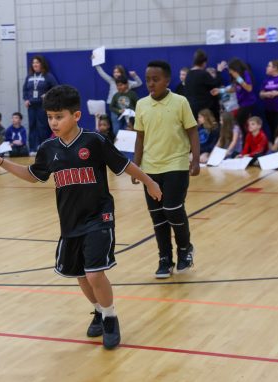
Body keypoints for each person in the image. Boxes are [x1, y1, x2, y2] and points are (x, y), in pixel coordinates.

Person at [0, 84, 161, 350]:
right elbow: (33, 176)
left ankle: (111, 318)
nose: (53, 122)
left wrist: (149, 182)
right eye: (50, 117)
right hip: (70, 221)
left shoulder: (95, 141)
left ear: (76, 116)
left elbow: (124, 165)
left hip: (99, 217)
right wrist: (0, 162)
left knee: (94, 274)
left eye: (59, 117)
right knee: (80, 275)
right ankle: (98, 311)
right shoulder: (48, 149)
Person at [133, 60, 200, 279]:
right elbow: (140, 137)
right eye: (148, 80)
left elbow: (192, 132)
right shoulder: (141, 104)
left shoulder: (180, 102)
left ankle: (184, 249)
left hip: (176, 164)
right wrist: (136, 166)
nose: (151, 84)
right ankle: (164, 259)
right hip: (150, 167)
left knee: (172, 209)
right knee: (158, 217)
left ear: (167, 80)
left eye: (156, 79)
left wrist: (196, 160)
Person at [23, 55, 58, 154]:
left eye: (37, 62)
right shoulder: (29, 76)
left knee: (42, 126)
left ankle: (44, 147)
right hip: (31, 105)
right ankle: (33, 148)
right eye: (33, 62)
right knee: (32, 126)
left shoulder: (48, 75)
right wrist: (26, 99)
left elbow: (56, 88)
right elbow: (25, 90)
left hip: (42, 105)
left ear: (42, 64)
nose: (35, 64)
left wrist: (47, 94)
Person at [94, 63, 143, 132]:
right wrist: (96, 64)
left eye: (118, 72)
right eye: (114, 72)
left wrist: (134, 75)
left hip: (127, 111)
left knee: (128, 128)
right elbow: (102, 74)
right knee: (116, 128)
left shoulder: (129, 85)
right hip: (115, 108)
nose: (116, 74)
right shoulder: (111, 81)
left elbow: (139, 83)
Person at [219, 58, 256, 135]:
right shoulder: (235, 77)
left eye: (230, 70)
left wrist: (238, 78)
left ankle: (244, 142)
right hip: (241, 103)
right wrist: (220, 91)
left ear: (235, 68)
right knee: (240, 124)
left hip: (248, 103)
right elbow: (235, 88)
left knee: (239, 123)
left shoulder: (245, 73)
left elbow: (249, 88)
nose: (229, 72)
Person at [184, 49, 220, 120]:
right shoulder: (203, 74)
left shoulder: (188, 74)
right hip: (204, 109)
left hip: (191, 107)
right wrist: (219, 72)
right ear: (204, 63)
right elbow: (215, 85)